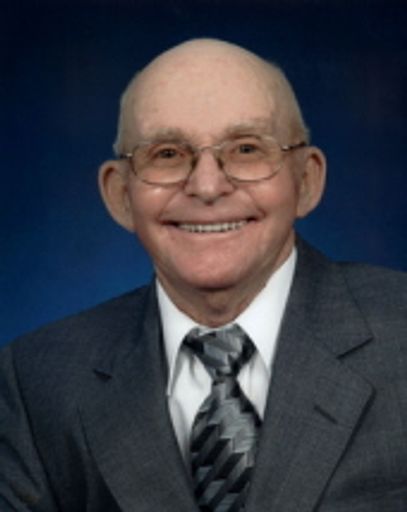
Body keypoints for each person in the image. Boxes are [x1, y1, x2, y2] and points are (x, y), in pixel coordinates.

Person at [1, 38, 406, 512]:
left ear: (306, 181)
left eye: (247, 149)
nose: (207, 186)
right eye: (167, 154)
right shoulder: (36, 380)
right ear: (121, 195)